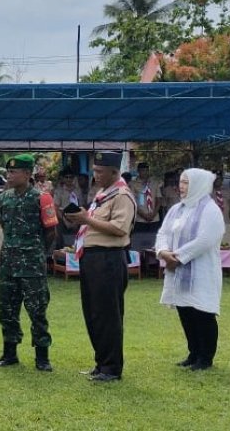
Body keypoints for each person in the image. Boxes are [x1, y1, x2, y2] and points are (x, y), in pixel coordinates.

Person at [64, 151, 136, 382]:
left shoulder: (122, 195)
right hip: (92, 258)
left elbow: (119, 228)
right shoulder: (104, 193)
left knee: (108, 315)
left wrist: (87, 220)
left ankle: (112, 368)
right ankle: (101, 362)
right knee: (94, 313)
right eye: (94, 170)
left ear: (114, 172)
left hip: (109, 258)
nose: (95, 176)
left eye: (100, 171)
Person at [155, 168, 225, 371]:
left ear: (199, 184)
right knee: (185, 310)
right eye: (181, 182)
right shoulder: (177, 209)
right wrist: (163, 251)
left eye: (186, 182)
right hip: (178, 270)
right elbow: (163, 233)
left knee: (202, 312)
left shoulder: (210, 210)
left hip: (201, 271)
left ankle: (205, 357)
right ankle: (193, 353)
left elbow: (205, 240)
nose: (181, 186)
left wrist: (177, 257)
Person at [0, 154, 57, 372]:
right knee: (7, 309)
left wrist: (39, 253)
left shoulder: (42, 198)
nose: (9, 176)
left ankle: (42, 356)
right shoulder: (3, 198)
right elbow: (3, 225)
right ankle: (9, 353)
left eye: (14, 172)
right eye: (8, 172)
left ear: (27, 174)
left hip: (32, 264)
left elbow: (51, 231)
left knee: (37, 310)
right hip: (8, 263)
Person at [130, 163, 161, 232]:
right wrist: (144, 215)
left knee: (153, 240)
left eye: (147, 170)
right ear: (138, 171)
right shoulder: (133, 184)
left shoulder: (154, 183)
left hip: (154, 219)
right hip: (140, 219)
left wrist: (153, 214)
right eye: (143, 170)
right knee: (140, 240)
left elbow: (159, 200)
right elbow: (132, 202)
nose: (145, 173)